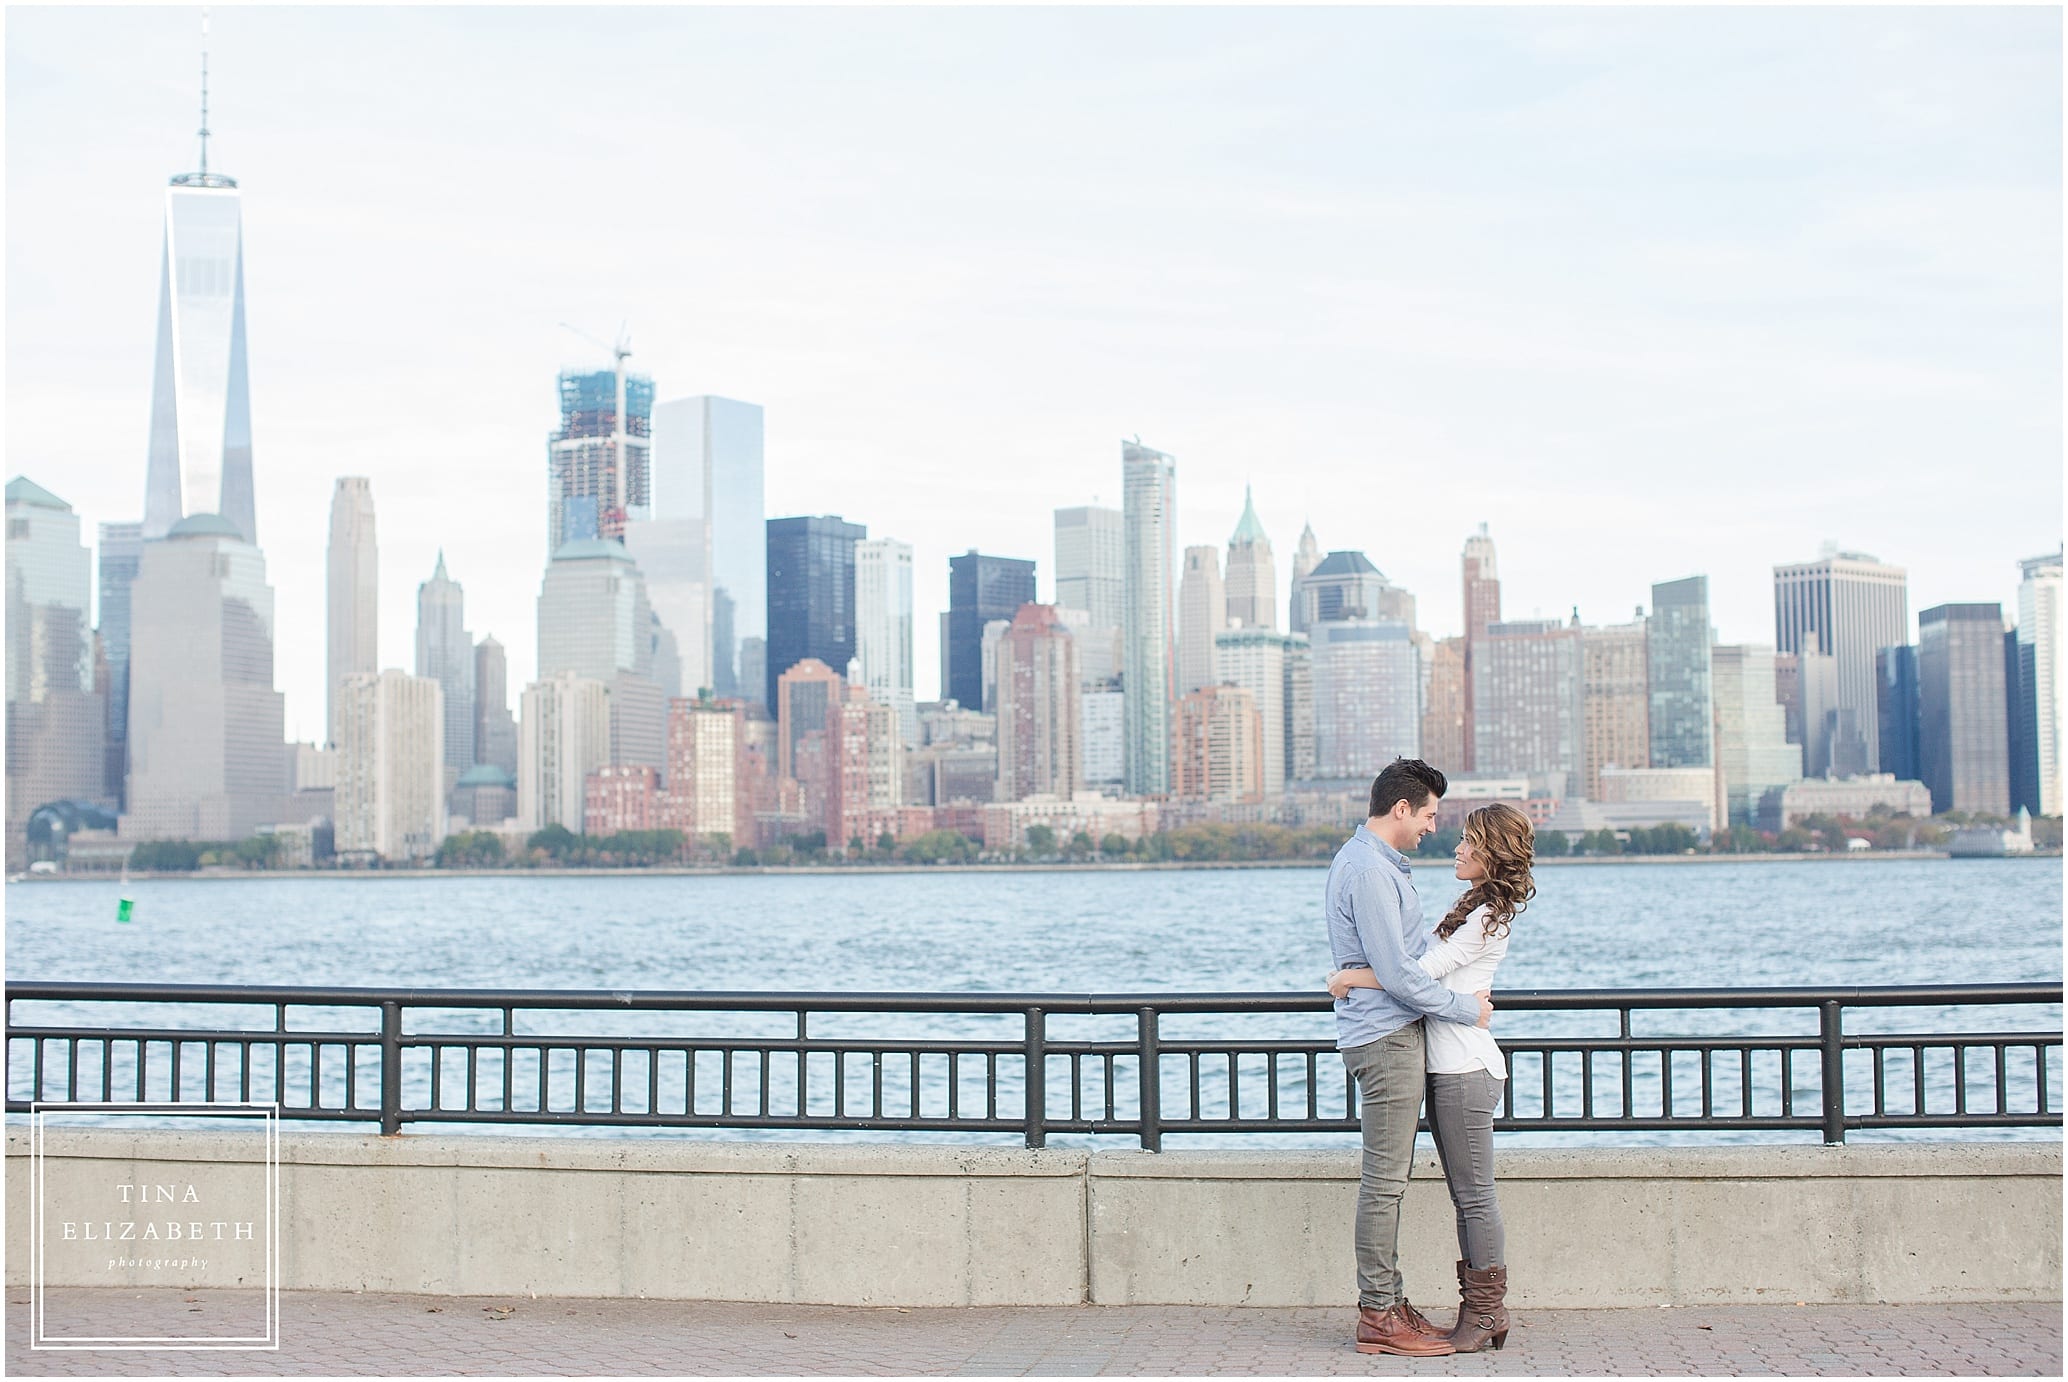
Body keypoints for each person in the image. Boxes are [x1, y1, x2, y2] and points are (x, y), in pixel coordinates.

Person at [1329, 799, 1534, 1353]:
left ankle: (1486, 1313)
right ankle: (1480, 1312)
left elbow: (1415, 974)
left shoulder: (1487, 919)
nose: (1456, 847)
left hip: (1465, 1066)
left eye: (1469, 840)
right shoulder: (1471, 909)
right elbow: (1421, 973)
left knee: (1474, 1198)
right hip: (1448, 1064)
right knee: (1465, 1196)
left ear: (1493, 852)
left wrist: (1352, 977)